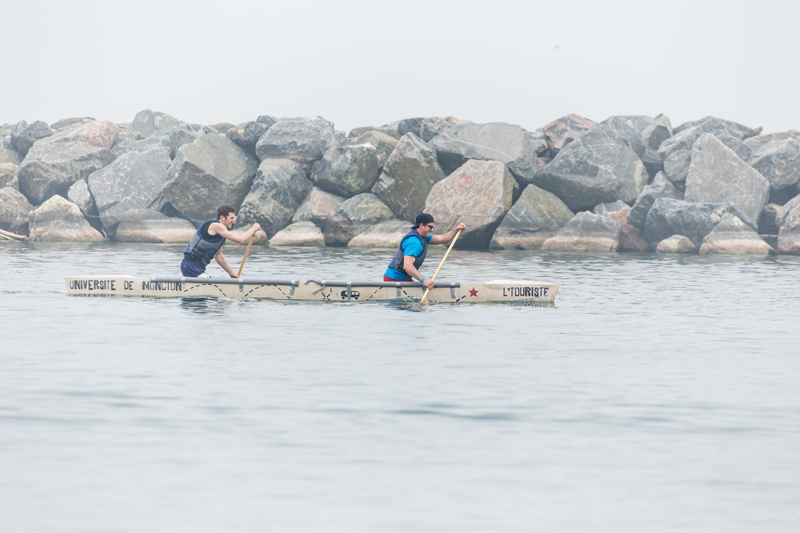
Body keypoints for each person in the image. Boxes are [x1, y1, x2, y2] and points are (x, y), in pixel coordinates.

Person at [384, 213, 466, 290]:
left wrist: (456, 230)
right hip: (394, 280)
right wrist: (423, 280)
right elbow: (407, 265)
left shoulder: (424, 236)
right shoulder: (414, 242)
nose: (432, 230)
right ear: (421, 226)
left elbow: (443, 239)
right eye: (430, 227)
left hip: (403, 278)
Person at [180, 205, 261, 278]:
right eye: (231, 218)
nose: (233, 221)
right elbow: (240, 239)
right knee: (210, 288)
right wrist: (252, 229)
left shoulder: (219, 236)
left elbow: (218, 256)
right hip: (190, 266)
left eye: (234, 218)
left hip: (197, 268)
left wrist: (231, 273)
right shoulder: (216, 225)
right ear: (222, 218)